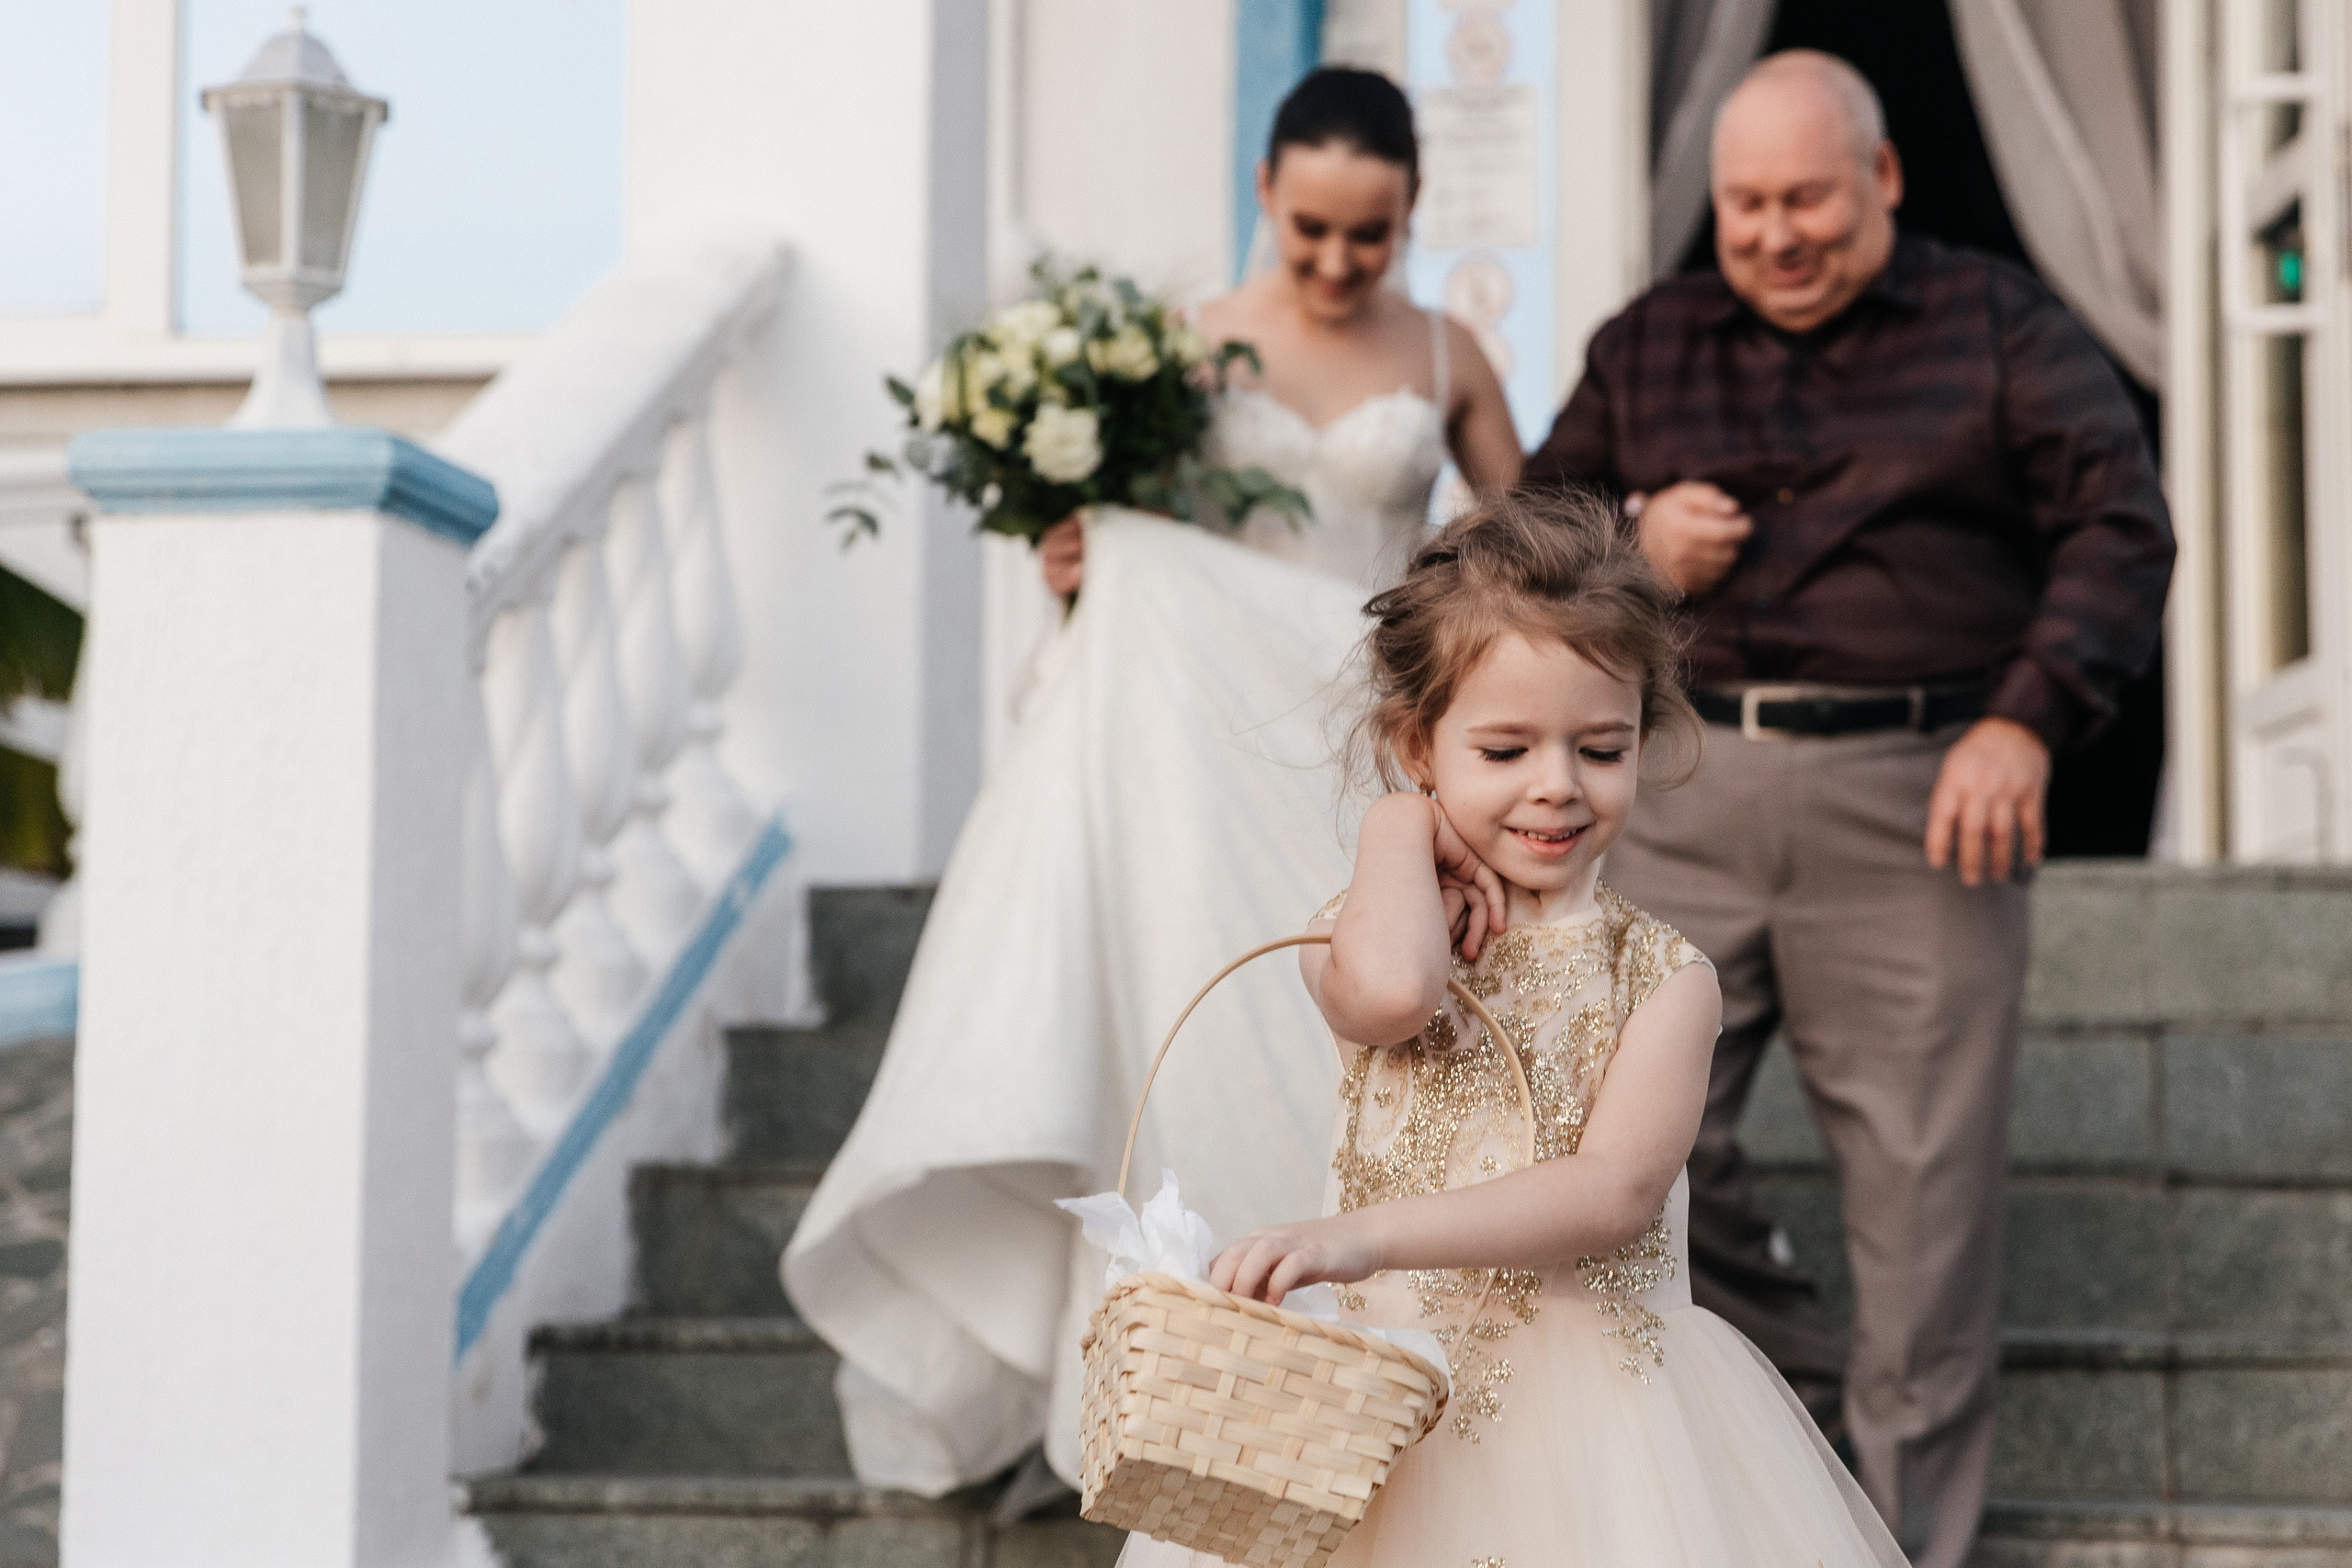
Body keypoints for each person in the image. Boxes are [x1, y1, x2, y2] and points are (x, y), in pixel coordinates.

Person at [784, 66, 1520, 1500]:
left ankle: (1344, 1379)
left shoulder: (1452, 354)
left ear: (1414, 210)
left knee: (1344, 1046)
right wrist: (1076, 555)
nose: (1336, 260)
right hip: (1198, 745)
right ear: (1264, 192)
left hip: (1359, 751)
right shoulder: (1175, 350)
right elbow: (1126, 546)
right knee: (1177, 1020)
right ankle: (1141, 1372)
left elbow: (1524, 554)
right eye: (1311, 228)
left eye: (1369, 234)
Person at [1521, 51, 2174, 1568]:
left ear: (1880, 178)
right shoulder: (1650, 340)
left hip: (1923, 796)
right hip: (1680, 785)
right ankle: (1795, 1398)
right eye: (1745, 204)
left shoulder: (2000, 321)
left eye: (1805, 198)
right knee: (1611, 1134)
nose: (1774, 233)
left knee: (1925, 1207)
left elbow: (2121, 523)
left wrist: (2025, 720)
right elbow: (1524, 543)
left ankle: (1910, 1545)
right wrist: (1630, 539)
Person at [1123, 495, 1905, 1568]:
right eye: (1502, 750)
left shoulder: (1663, 977)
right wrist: (1397, 823)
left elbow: (1611, 1195)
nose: (1556, 786)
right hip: (1384, 1407)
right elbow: (1394, 995)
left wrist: (1358, 1238)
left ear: (1643, 741)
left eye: (1600, 748)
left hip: (1599, 1437)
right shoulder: (1368, 927)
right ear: (1418, 745)